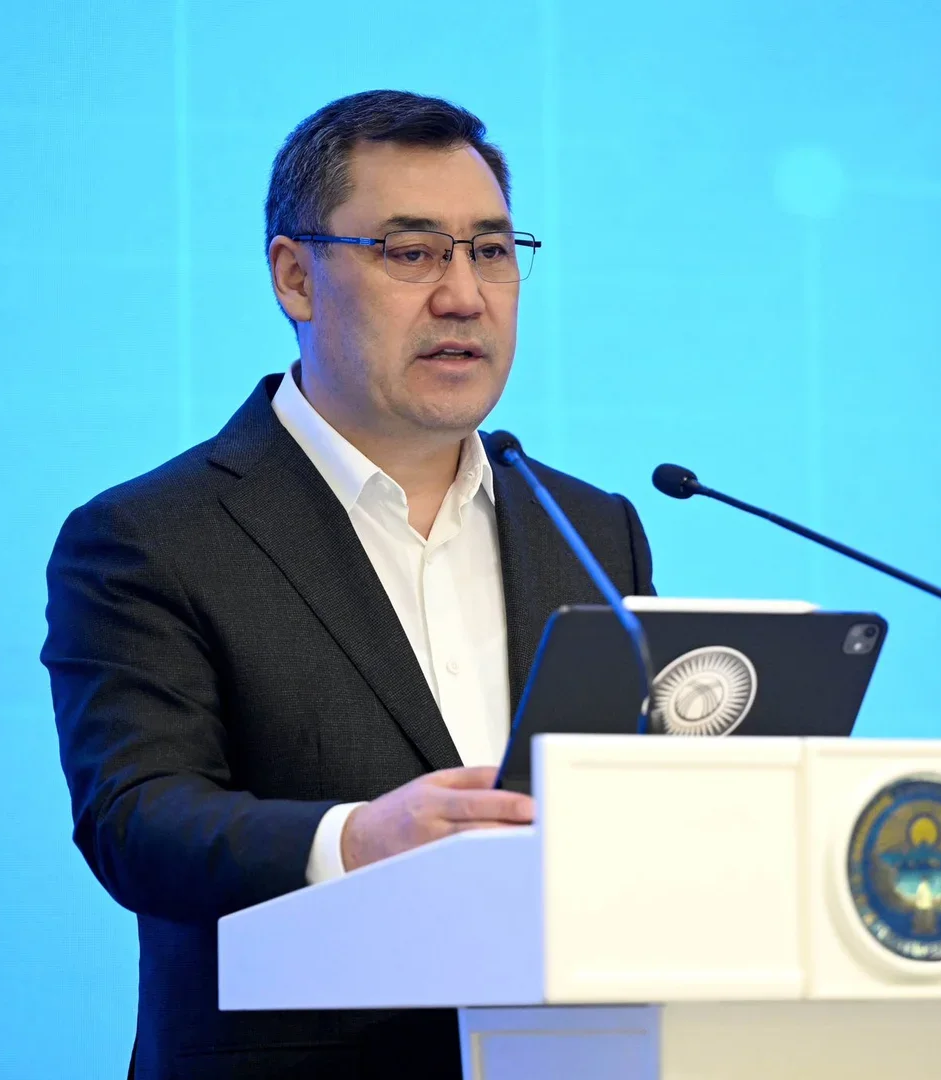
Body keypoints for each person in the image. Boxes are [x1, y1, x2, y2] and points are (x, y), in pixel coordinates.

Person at [42, 90, 655, 1080]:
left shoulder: (588, 530)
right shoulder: (152, 539)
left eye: (491, 251)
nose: (464, 295)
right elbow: (136, 823)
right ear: (295, 276)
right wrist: (355, 840)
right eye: (411, 252)